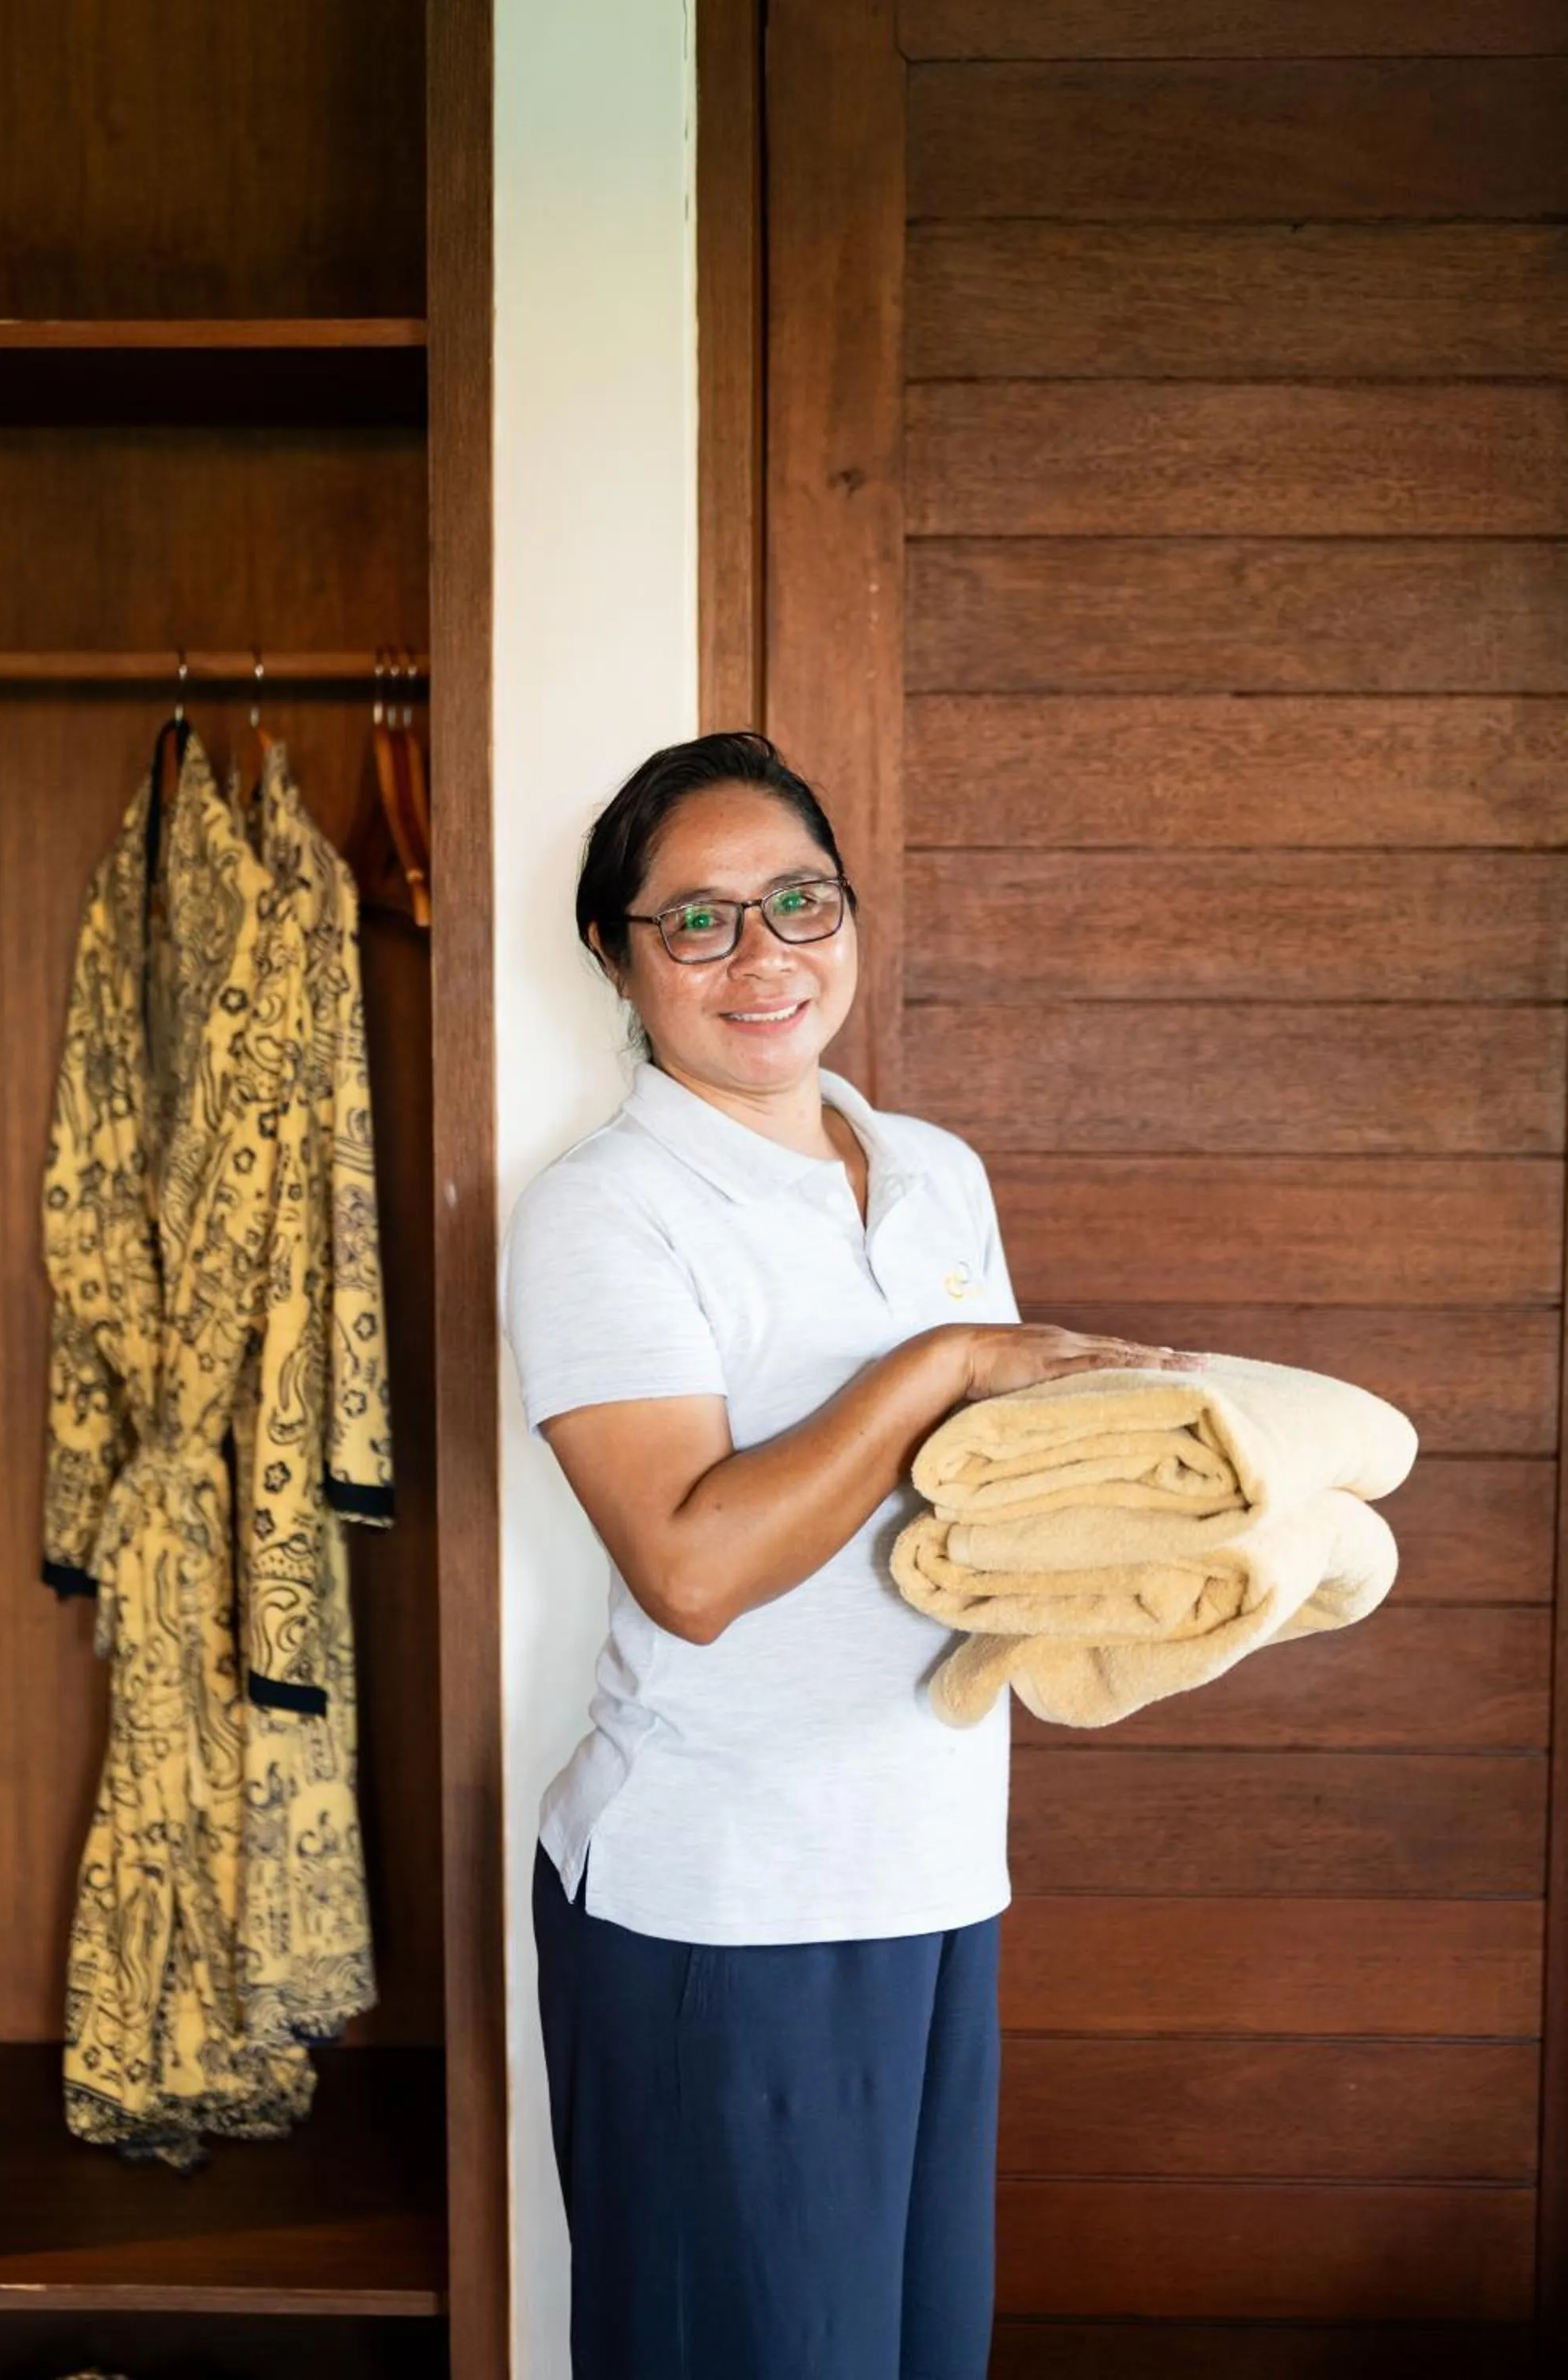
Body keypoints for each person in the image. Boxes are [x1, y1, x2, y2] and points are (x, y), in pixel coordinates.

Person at [502, 731, 1202, 2380]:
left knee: (908, 2351)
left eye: (799, 902)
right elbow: (691, 1572)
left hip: (932, 1870)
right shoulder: (605, 1211)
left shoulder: (936, 1171)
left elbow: (975, 1495)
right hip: (725, 1904)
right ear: (615, 953)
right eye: (698, 919)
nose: (763, 955)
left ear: (849, 918)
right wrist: (941, 1364)